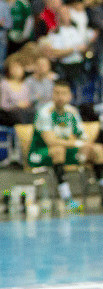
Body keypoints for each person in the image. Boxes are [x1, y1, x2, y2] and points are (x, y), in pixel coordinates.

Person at [29, 80, 103, 212]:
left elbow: (83, 138)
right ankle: (67, 198)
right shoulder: (45, 112)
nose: (60, 97)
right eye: (57, 93)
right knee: (58, 150)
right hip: (40, 153)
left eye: (64, 93)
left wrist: (81, 145)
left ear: (70, 96)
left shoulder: (72, 112)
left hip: (66, 151)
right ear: (52, 95)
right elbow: (51, 141)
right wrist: (73, 142)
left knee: (97, 150)